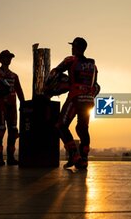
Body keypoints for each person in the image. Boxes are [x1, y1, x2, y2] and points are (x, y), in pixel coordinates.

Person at [49, 37, 100, 169]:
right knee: (82, 129)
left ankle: (74, 155)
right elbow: (96, 86)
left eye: (73, 46)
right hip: (88, 101)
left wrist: (48, 88)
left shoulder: (70, 60)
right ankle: (84, 159)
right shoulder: (93, 66)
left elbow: (55, 72)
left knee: (61, 125)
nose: (71, 49)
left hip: (75, 99)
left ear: (76, 48)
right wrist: (88, 95)